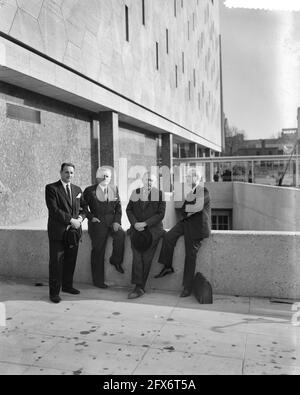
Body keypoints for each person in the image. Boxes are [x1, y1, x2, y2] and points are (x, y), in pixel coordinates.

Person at [155, 170, 211, 297]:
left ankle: (187, 287)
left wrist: (191, 210)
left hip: (197, 228)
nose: (186, 178)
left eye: (189, 176)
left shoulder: (204, 190)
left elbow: (198, 207)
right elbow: (183, 210)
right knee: (168, 236)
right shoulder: (191, 193)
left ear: (197, 178)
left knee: (190, 256)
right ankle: (167, 266)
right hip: (186, 223)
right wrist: (190, 211)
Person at [45, 163, 85, 304]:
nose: (69, 175)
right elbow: (54, 210)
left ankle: (67, 286)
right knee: (56, 263)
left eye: (72, 172)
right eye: (66, 172)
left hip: (73, 233)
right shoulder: (51, 188)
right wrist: (71, 220)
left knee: (70, 260)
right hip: (58, 233)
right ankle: (54, 293)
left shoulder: (77, 189)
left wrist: (80, 218)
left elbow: (83, 208)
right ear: (61, 172)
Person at [83, 167, 125, 289]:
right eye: (103, 176)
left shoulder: (114, 189)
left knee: (121, 235)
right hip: (98, 224)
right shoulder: (89, 191)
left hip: (112, 223)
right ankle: (98, 281)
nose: (105, 178)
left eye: (107, 176)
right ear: (97, 177)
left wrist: (117, 222)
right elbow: (83, 206)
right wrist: (91, 217)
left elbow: (118, 207)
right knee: (98, 252)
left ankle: (115, 260)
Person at [126, 172, 166, 299]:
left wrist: (145, 224)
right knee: (137, 257)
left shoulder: (159, 194)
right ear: (142, 180)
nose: (149, 182)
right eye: (147, 179)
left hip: (152, 231)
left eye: (151, 180)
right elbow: (129, 209)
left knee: (147, 258)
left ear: (154, 182)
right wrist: (135, 223)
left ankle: (140, 287)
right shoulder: (135, 192)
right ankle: (138, 286)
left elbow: (161, 214)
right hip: (137, 230)